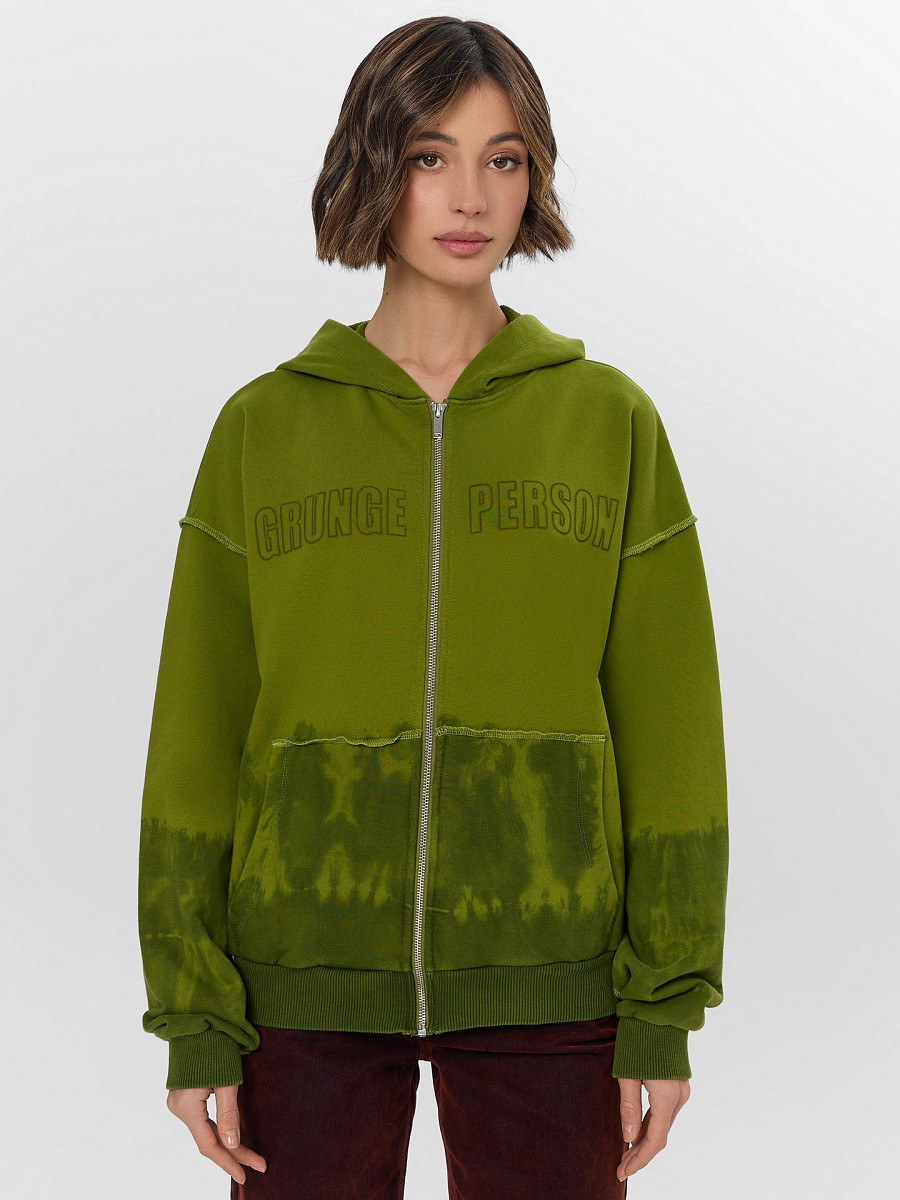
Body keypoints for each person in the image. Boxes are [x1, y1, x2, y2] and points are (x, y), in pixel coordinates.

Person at [137, 15, 729, 1199]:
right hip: (299, 972)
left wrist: (664, 1007)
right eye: (429, 156)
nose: (470, 197)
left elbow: (672, 733)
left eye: (502, 158)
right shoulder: (264, 428)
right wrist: (195, 1012)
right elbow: (197, 731)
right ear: (373, 169)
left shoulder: (609, 423)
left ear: (533, 177)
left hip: (551, 972)